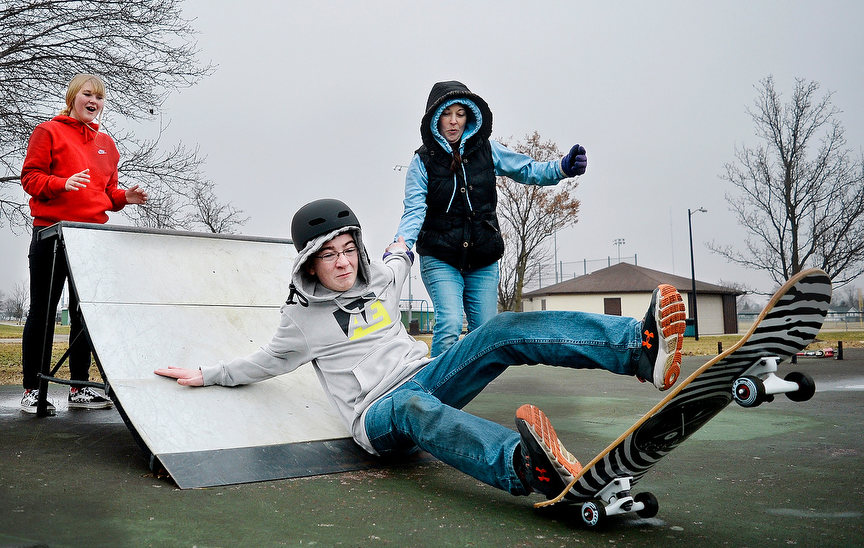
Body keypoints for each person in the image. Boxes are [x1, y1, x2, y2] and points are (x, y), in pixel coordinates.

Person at [155, 199, 686, 501]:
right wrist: (208, 374)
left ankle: (637, 350)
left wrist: (407, 235)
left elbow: (401, 254)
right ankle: (524, 467)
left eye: (347, 251)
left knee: (498, 332)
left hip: (427, 374)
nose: (342, 264)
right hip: (378, 415)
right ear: (309, 264)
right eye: (328, 257)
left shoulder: (379, 276)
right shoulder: (299, 321)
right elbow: (264, 362)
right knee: (414, 408)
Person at [394, 80, 589, 357]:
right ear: (435, 119)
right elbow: (413, 210)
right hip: (440, 257)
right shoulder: (421, 163)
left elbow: (527, 169)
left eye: (460, 114)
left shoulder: (487, 150)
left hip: (482, 258)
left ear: (469, 117)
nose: (453, 122)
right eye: (447, 115)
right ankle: (432, 390)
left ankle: (468, 386)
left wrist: (561, 167)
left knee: (486, 333)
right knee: (449, 323)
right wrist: (400, 246)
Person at [19, 73, 148, 414]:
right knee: (43, 312)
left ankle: (79, 388)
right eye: (88, 94)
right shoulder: (48, 132)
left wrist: (124, 197)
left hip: (92, 239)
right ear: (73, 97)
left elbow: (107, 194)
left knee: (85, 312)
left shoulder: (108, 145)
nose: (94, 101)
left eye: (100, 97)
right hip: (53, 233)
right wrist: (62, 183)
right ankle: (33, 389)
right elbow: (31, 179)